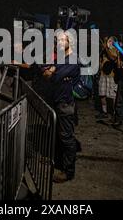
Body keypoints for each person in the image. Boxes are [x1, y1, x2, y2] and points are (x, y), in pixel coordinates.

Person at [43, 31, 80, 183]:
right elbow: (46, 74)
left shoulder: (72, 60)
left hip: (66, 104)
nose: (58, 43)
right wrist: (50, 70)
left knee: (66, 138)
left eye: (62, 40)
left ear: (70, 41)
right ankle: (58, 162)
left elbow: (53, 76)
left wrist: (51, 70)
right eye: (57, 40)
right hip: (57, 101)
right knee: (58, 135)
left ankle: (68, 171)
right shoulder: (61, 58)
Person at [96, 36, 118, 122]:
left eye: (110, 41)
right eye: (108, 41)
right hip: (103, 74)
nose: (109, 42)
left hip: (111, 75)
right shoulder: (104, 50)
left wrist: (106, 49)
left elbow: (113, 58)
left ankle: (114, 114)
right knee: (102, 94)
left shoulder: (115, 49)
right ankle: (104, 112)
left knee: (112, 96)